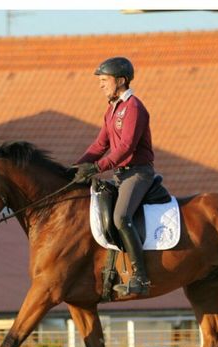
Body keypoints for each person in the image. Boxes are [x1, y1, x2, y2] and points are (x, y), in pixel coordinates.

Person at [73, 56, 157, 297]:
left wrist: (97, 167)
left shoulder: (134, 108)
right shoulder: (112, 110)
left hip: (138, 174)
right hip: (121, 175)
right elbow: (100, 145)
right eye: (99, 80)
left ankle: (141, 277)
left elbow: (126, 148)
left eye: (104, 80)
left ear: (121, 80)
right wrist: (76, 166)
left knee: (121, 217)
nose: (100, 84)